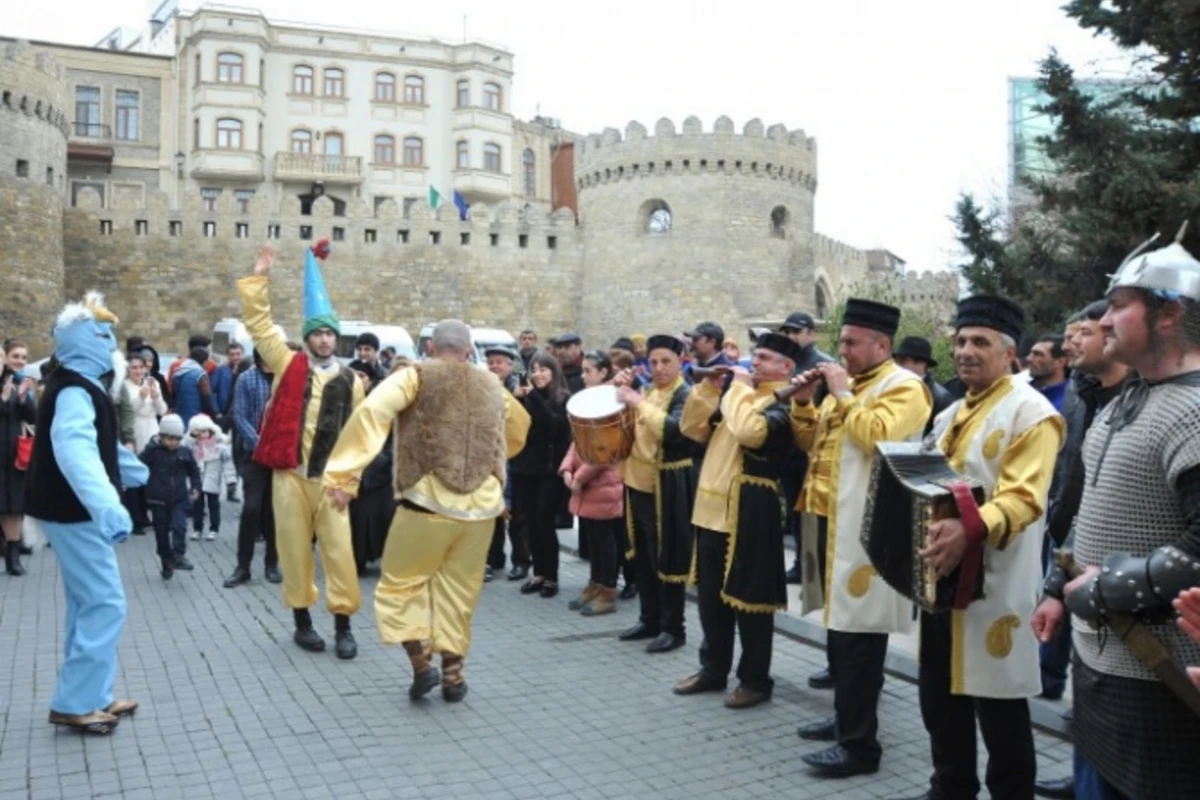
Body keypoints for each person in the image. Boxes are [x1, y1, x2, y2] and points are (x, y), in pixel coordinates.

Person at [1032, 232, 1200, 800]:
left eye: (1121, 304)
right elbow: (1095, 504)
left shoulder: (1196, 411)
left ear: (1170, 313)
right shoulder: (1127, 399)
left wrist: (1102, 591)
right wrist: (1059, 586)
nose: (1103, 320)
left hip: (1163, 673)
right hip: (1098, 661)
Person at [894, 294, 1063, 800]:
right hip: (942, 581)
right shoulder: (950, 414)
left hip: (996, 585)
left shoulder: (1031, 413)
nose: (966, 351)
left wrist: (967, 527)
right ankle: (951, 787)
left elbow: (1024, 498)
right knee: (938, 697)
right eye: (961, 341)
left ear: (1009, 353)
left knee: (1000, 708)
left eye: (980, 342)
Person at [323, 319, 530, 701]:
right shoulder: (491, 383)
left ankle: (422, 665)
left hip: (426, 504)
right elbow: (518, 427)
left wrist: (343, 477)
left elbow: (372, 414)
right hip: (482, 511)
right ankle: (454, 676)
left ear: (431, 349)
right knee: (459, 592)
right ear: (469, 351)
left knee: (400, 585)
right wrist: (491, 466)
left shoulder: (414, 376)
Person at [788, 300, 932, 777]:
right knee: (838, 630)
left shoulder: (905, 387)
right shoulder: (847, 386)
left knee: (859, 640)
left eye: (851, 342)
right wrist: (805, 402)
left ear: (882, 344)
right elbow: (815, 443)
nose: (842, 350)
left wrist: (842, 393)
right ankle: (845, 719)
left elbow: (877, 436)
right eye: (842, 341)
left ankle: (860, 747)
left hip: (866, 532)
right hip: (827, 520)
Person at [24, 292, 149, 734]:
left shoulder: (78, 382)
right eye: (102, 334)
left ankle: (93, 694)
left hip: (66, 510)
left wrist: (133, 469)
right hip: (73, 511)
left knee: (87, 602)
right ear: (84, 340)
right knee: (104, 602)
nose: (110, 342)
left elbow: (99, 444)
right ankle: (75, 702)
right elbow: (75, 451)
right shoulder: (75, 386)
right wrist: (109, 506)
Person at [237, 241, 364, 659]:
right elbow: (259, 323)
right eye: (318, 333)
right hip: (289, 476)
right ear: (308, 337)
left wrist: (351, 482)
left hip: (331, 483)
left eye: (330, 333)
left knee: (341, 555)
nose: (325, 340)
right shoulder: (286, 362)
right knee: (293, 552)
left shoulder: (353, 381)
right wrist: (259, 278)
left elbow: (360, 438)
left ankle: (344, 625)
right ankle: (303, 624)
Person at [1032, 300, 1132, 798]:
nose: (1074, 342)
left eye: (1085, 332)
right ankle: (1081, 774)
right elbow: (1075, 477)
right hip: (1070, 541)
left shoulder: (1141, 399)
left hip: (1121, 576)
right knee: (1083, 672)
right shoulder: (1081, 395)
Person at [673, 332, 798, 708]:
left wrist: (738, 389)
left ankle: (755, 680)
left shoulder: (786, 403)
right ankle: (713, 669)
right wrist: (709, 389)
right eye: (753, 355)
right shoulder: (736, 396)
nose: (753, 362)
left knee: (750, 602)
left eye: (763, 357)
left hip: (750, 512)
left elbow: (751, 433)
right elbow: (691, 429)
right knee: (711, 601)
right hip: (711, 511)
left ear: (786, 367)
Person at [613, 335, 696, 653]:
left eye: (666, 361)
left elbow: (674, 432)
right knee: (644, 557)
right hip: (638, 484)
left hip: (668, 486)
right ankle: (649, 619)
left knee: (669, 555)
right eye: (654, 362)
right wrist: (620, 393)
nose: (659, 368)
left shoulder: (686, 394)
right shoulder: (649, 391)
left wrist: (637, 402)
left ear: (680, 362)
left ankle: (674, 628)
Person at [559, 351, 624, 616]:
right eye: (583, 370)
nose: (583, 375)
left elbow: (605, 449)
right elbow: (577, 442)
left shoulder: (612, 402)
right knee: (594, 542)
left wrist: (579, 477)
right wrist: (566, 469)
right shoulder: (588, 400)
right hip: (586, 485)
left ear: (604, 373)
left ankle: (608, 590)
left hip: (603, 483)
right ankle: (595, 584)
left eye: (589, 371)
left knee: (606, 541)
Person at [510, 351, 572, 598]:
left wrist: (533, 397)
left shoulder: (562, 398)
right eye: (534, 370)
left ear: (553, 372)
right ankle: (538, 573)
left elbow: (553, 428)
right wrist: (517, 402)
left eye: (542, 369)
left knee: (544, 521)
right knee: (531, 523)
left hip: (549, 471)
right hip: (526, 469)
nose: (537, 374)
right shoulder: (525, 399)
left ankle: (551, 577)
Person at [223, 348, 281, 588]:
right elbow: (240, 415)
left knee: (273, 511)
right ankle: (242, 566)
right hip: (254, 454)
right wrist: (260, 444)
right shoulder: (247, 378)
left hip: (279, 456)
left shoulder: (285, 377)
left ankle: (271, 564)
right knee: (251, 509)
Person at [483, 346, 531, 582]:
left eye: (499, 362)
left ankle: (521, 561)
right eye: (491, 362)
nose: (494, 366)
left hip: (516, 458)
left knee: (517, 514)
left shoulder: (519, 388)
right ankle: (494, 559)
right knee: (491, 511)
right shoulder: (483, 389)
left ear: (510, 366)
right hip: (491, 457)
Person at [140, 414, 201, 579]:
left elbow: (194, 471)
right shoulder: (152, 452)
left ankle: (178, 556)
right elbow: (139, 466)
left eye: (177, 439)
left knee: (180, 526)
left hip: (179, 498)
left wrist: (195, 487)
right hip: (157, 499)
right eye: (169, 438)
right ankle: (166, 560)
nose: (173, 442)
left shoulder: (184, 452)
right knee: (161, 533)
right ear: (161, 436)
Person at [1, 340, 37, 575]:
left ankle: (13, 558)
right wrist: (3, 400)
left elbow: (32, 417)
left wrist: (23, 398)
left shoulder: (14, 381)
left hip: (12, 453)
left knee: (13, 507)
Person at [123, 352, 166, 535]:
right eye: (134, 367)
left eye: (141, 367)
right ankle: (135, 518)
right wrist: (141, 397)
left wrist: (156, 397)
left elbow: (162, 410)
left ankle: (147, 515)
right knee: (135, 476)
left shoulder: (152, 382)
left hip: (151, 428)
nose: (138, 371)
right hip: (135, 429)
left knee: (152, 475)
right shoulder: (124, 386)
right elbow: (128, 411)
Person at [183, 414, 236, 542]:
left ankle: (214, 529)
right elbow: (183, 446)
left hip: (213, 480)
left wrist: (231, 480)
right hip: (197, 481)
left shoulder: (220, 448)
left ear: (211, 431)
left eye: (204, 431)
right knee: (197, 506)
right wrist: (191, 435)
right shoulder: (193, 446)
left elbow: (228, 465)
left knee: (214, 506)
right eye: (198, 432)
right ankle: (197, 529)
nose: (201, 434)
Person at [893, 336, 952, 433]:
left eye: (903, 361)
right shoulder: (892, 387)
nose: (897, 366)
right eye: (896, 361)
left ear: (921, 363)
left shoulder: (941, 399)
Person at [171, 346, 217, 428]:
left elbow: (174, 396)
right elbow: (207, 396)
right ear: (205, 361)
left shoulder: (178, 373)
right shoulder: (200, 375)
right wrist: (215, 413)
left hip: (179, 416)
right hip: (195, 417)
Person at [1026, 334, 1071, 411]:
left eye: (1038, 354)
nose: (1028, 359)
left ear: (1060, 362)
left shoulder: (1070, 402)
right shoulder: (1022, 390)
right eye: (1031, 353)